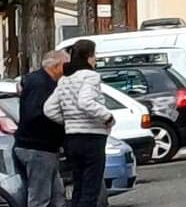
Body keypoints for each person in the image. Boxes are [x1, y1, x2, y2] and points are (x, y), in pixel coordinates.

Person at [43, 40, 115, 207]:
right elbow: (85, 101)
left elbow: (49, 109)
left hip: (72, 138)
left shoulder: (65, 80)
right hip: (92, 137)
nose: (95, 59)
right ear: (88, 57)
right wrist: (107, 117)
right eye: (94, 55)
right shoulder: (90, 76)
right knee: (91, 187)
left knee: (79, 184)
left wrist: (69, 120)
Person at [14, 50, 70, 207]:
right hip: (38, 148)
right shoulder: (42, 85)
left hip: (41, 147)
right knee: (40, 197)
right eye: (66, 64)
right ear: (57, 65)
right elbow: (35, 115)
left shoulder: (36, 81)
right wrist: (60, 124)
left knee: (57, 196)